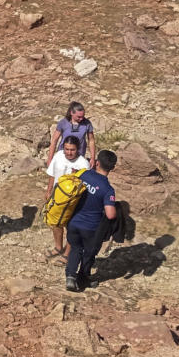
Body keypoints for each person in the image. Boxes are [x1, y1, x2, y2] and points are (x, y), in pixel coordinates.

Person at [65, 149, 117, 292]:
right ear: (112, 168)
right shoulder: (108, 189)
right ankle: (83, 279)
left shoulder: (83, 174)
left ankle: (70, 276)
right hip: (91, 228)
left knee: (75, 248)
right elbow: (110, 214)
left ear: (97, 163)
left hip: (73, 222)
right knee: (89, 253)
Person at [44, 135, 89, 263]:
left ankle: (67, 253)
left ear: (78, 149)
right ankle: (58, 247)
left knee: (71, 226)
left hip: (73, 201)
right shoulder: (58, 156)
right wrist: (48, 191)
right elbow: (52, 174)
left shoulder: (83, 163)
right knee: (55, 223)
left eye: (72, 150)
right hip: (57, 197)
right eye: (67, 149)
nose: (69, 152)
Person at [47, 101, 96, 168]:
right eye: (79, 117)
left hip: (79, 155)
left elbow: (91, 140)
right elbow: (54, 141)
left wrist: (92, 158)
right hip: (63, 155)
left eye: (83, 116)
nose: (81, 119)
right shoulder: (63, 123)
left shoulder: (87, 123)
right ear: (71, 113)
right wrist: (50, 159)